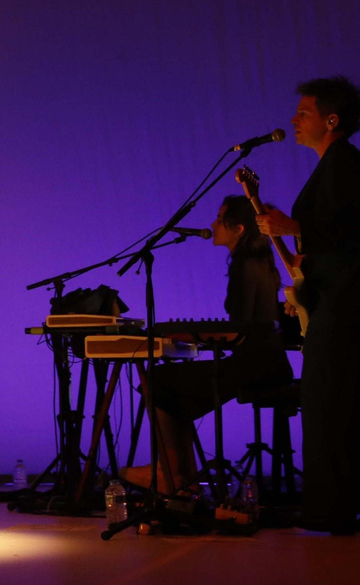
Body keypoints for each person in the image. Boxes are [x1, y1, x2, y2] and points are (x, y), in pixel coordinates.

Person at [255, 77, 360, 534]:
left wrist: (289, 224)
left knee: (330, 403)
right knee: (353, 405)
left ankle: (332, 511)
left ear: (331, 120)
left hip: (346, 307)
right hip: (346, 302)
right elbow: (341, 236)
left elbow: (343, 228)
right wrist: (303, 259)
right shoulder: (337, 164)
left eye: (304, 113)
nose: (295, 121)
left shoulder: (344, 162)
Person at [122, 195, 293, 493]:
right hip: (267, 362)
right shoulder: (260, 262)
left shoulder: (245, 265)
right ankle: (181, 476)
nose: (212, 225)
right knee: (170, 385)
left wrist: (193, 335)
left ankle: (170, 471)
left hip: (253, 365)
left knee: (158, 380)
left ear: (238, 229)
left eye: (219, 219)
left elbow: (240, 328)